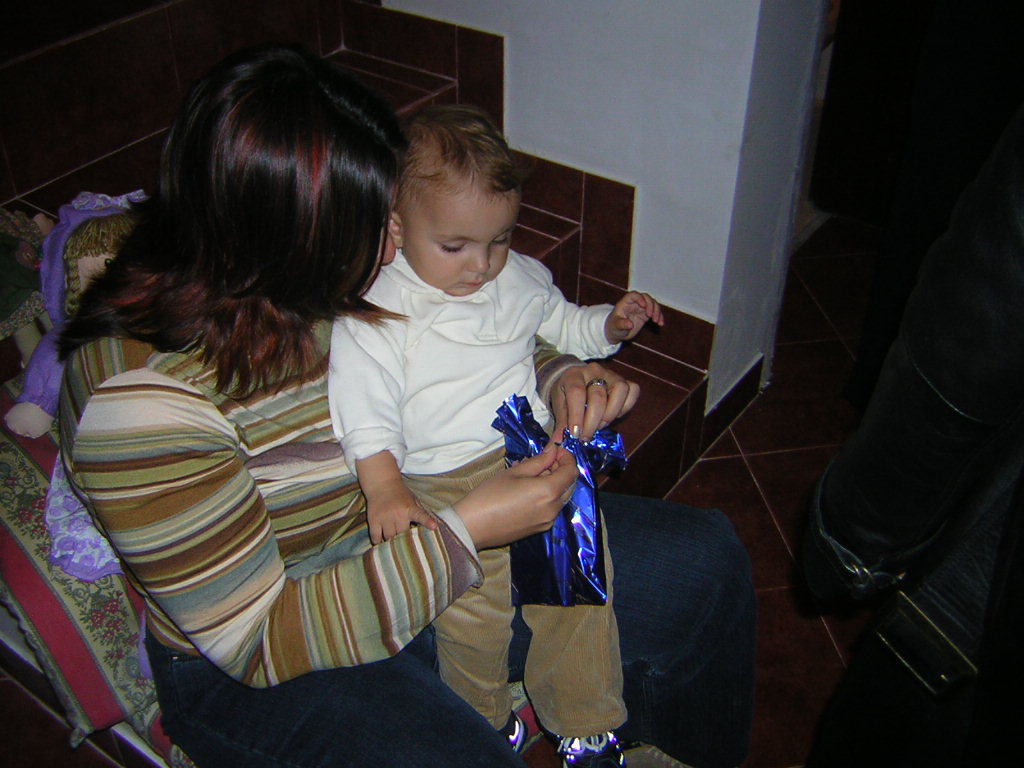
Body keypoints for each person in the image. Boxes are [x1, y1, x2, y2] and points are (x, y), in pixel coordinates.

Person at [57, 43, 755, 768]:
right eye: (373, 227)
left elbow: (467, 338)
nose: (394, 250)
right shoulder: (135, 406)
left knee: (706, 564)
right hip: (271, 649)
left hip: (414, 545)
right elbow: (257, 640)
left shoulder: (331, 279)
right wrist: (466, 531)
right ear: (283, 240)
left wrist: (561, 376)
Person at [327, 104, 663, 767]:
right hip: (441, 479)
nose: (482, 265)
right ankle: (482, 722)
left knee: (578, 582)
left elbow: (562, 325)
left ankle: (586, 720)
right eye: (455, 247)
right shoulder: (378, 308)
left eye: (500, 239)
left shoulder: (519, 277)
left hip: (532, 450)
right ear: (397, 226)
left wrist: (611, 326)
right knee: (471, 615)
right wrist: (385, 486)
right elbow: (364, 407)